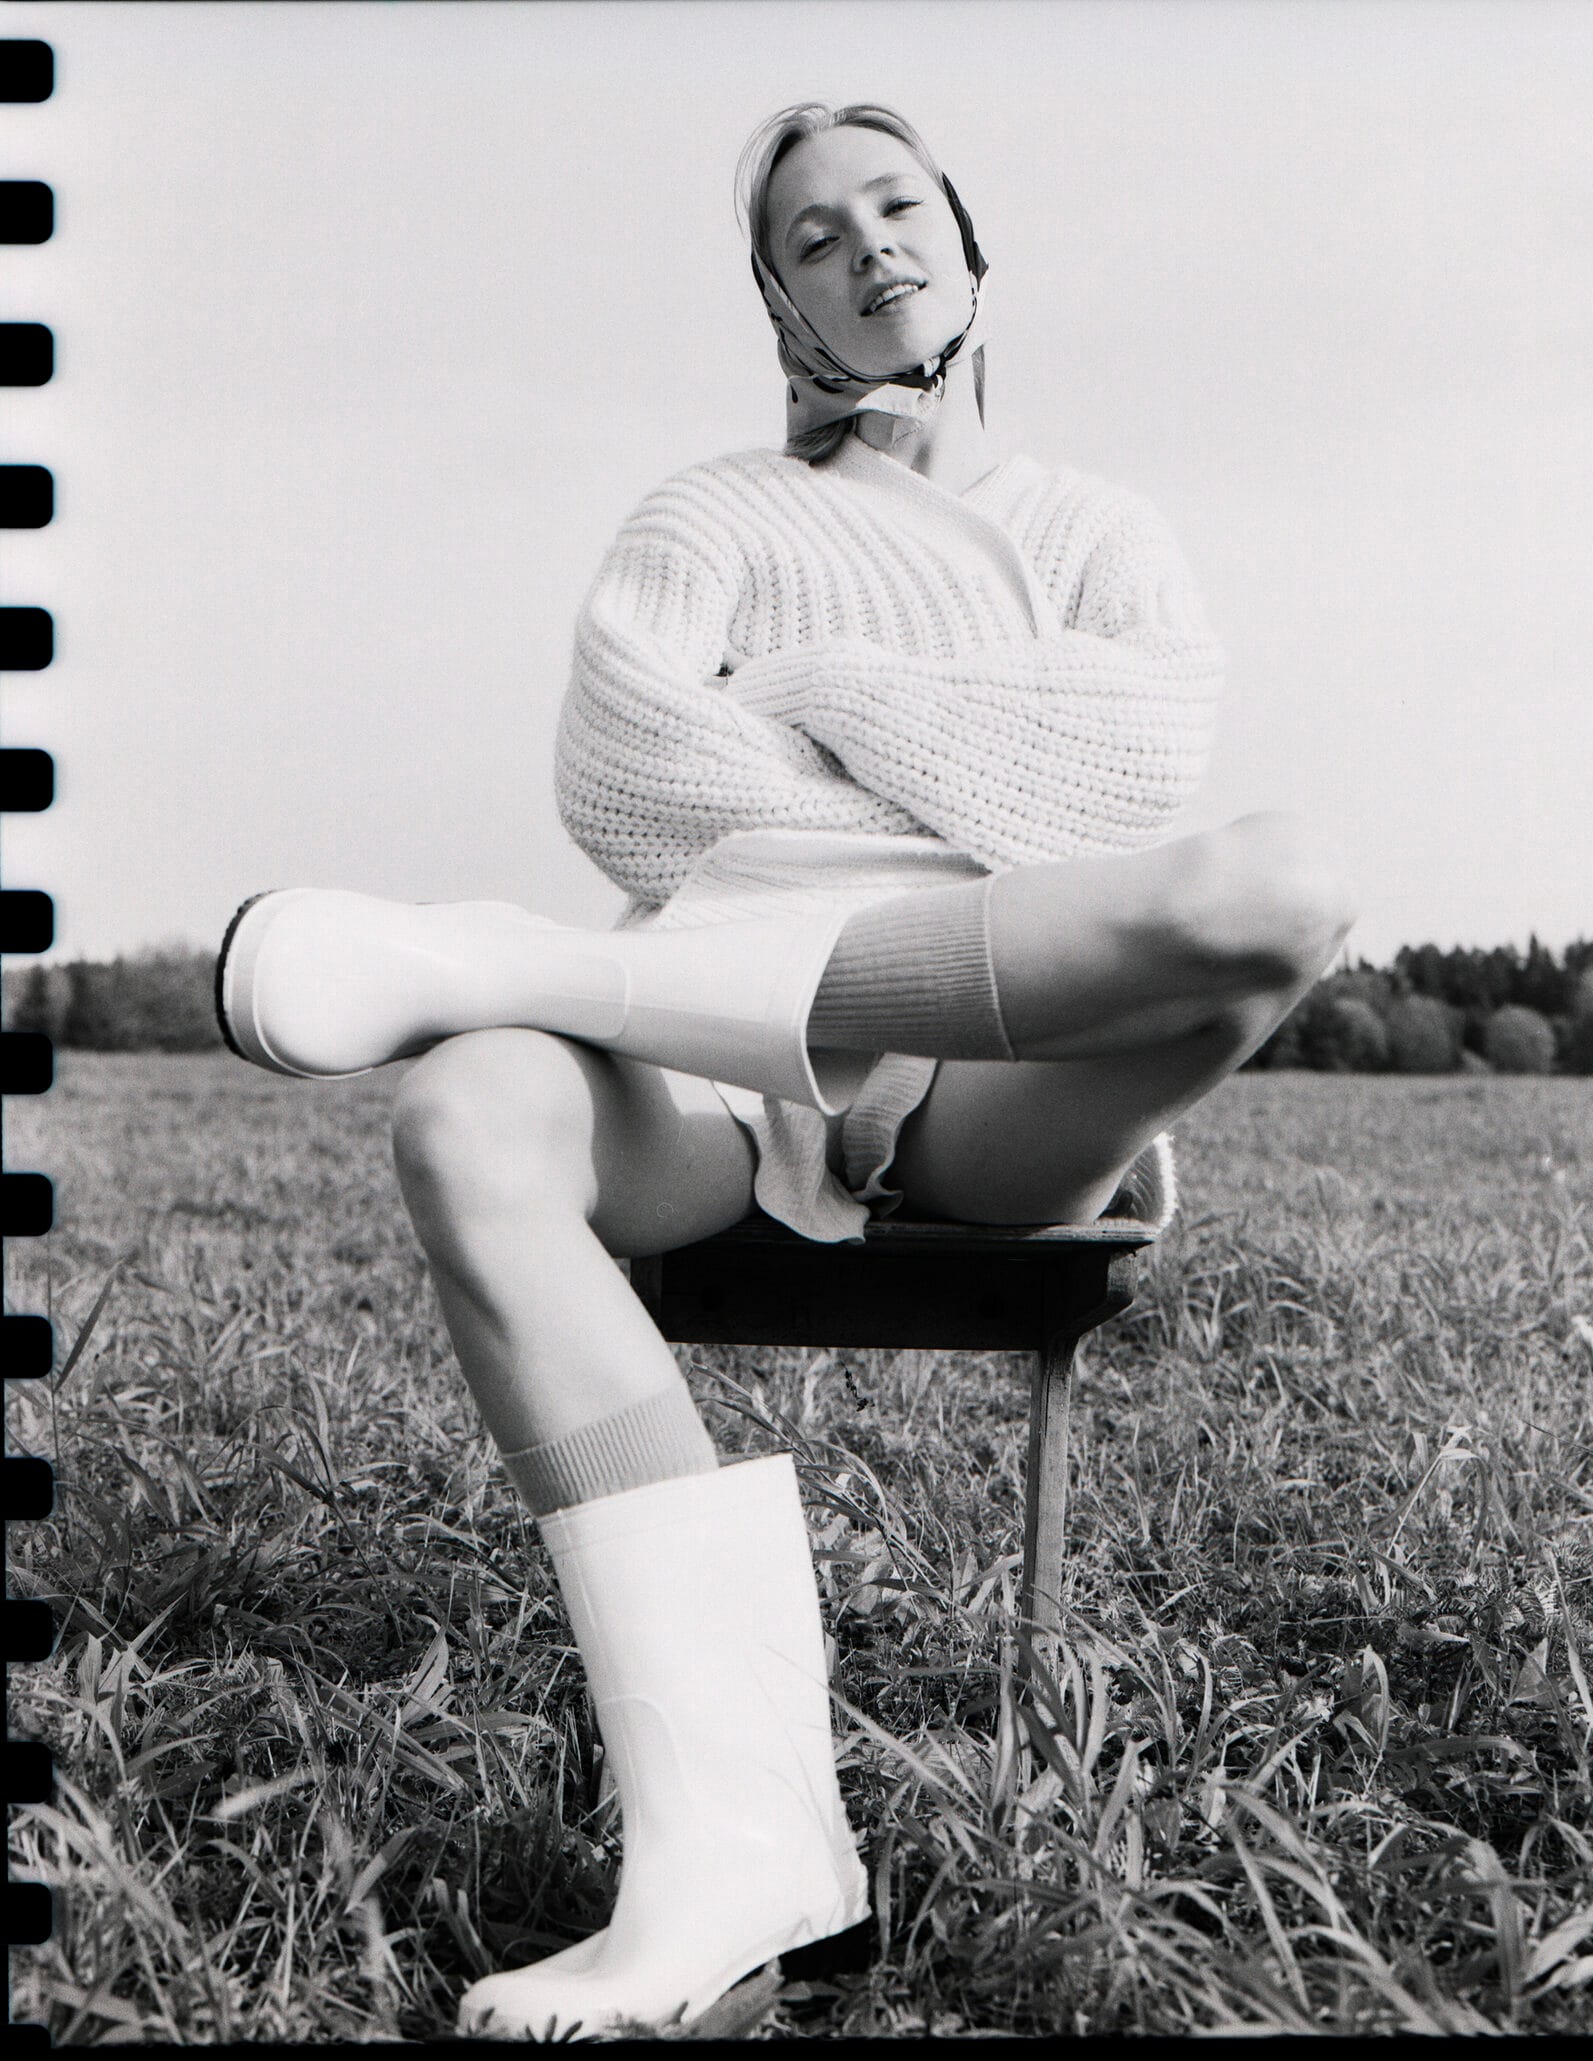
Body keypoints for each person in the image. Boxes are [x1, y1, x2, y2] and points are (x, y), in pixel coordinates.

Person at [215, 101, 1354, 2040]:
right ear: (776, 299)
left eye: (897, 206)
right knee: (463, 1102)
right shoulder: (707, 518)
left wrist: (809, 708)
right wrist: (949, 792)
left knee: (1286, 885)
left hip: (1001, 1085)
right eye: (814, 235)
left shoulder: (1098, 530)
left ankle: (514, 957)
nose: (869, 247)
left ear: (970, 239)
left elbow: (1126, 780)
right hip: (724, 1066)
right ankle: (728, 1852)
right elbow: (639, 776)